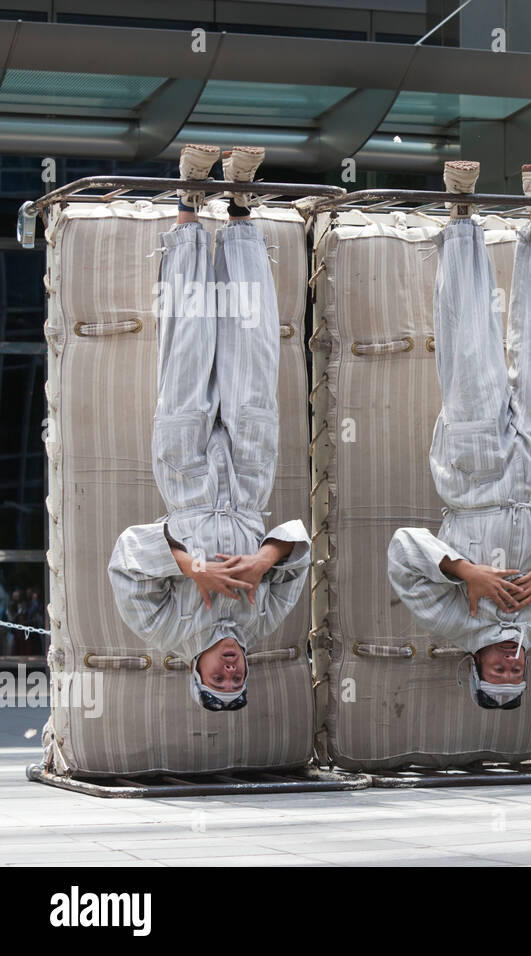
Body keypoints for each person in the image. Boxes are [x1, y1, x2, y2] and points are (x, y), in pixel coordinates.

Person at [388, 160, 531, 710]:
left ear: (477, 668)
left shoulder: (451, 620)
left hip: (477, 477)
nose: (510, 664)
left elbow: (404, 551)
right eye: (517, 674)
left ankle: (460, 210)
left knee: (470, 352)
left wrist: (465, 573)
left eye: (498, 672)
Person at [108, 144, 310, 712]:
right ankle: (242, 203)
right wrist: (264, 561)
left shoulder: (167, 630)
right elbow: (300, 547)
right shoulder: (263, 619)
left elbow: (125, 557)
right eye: (237, 680)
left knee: (188, 341)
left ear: (195, 671)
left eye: (218, 680)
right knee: (253, 345)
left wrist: (189, 566)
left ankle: (190, 203)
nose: (230, 671)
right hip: (249, 479)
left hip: (186, 475)